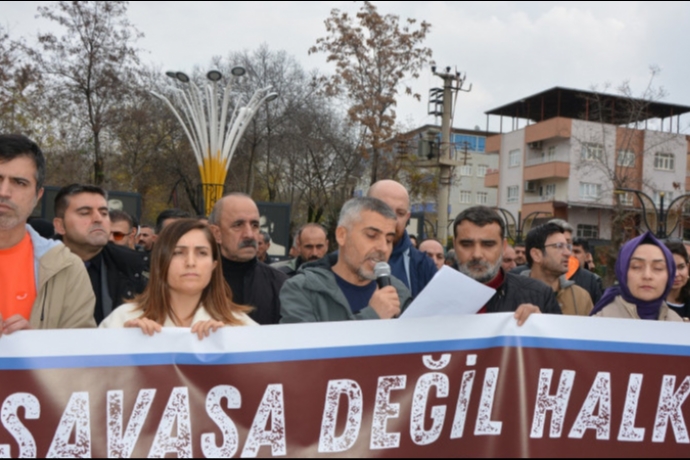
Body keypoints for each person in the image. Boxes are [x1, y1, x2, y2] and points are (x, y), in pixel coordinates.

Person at [0, 134, 95, 335]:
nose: (4, 192)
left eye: (19, 182)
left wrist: (36, 345)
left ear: (38, 196)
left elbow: (81, 349)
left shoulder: (67, 269)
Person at [100, 219, 256, 336]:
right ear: (160, 262)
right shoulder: (122, 320)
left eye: (201, 253)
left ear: (214, 265)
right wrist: (125, 344)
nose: (190, 262)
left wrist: (228, 346)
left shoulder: (240, 328)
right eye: (178, 252)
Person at [280, 197, 412, 323]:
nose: (383, 248)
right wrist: (372, 315)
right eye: (372, 236)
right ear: (342, 235)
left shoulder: (398, 292)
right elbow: (304, 339)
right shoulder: (302, 289)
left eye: (389, 240)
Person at [53, 184, 148, 324]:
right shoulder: (37, 265)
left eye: (104, 213)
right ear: (60, 226)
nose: (98, 219)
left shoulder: (135, 268)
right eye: (85, 213)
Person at [453, 206, 561, 323]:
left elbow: (559, 334)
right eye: (466, 244)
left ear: (503, 247)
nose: (477, 254)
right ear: (454, 245)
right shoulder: (437, 294)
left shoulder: (539, 295)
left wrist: (541, 325)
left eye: (488, 244)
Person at [209, 193, 287, 325]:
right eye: (238, 225)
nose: (249, 235)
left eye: (255, 225)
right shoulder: (198, 283)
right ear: (217, 233)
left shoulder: (280, 285)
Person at [368, 180, 437, 298]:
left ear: (407, 217)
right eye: (385, 210)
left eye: (400, 213)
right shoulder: (342, 261)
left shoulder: (423, 266)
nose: (393, 219)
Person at [591, 231, 682, 321]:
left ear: (670, 275)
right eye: (636, 266)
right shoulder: (599, 322)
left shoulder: (678, 324)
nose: (647, 275)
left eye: (658, 268)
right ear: (622, 272)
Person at [522, 223, 593, 316]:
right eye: (559, 246)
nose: (568, 253)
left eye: (568, 247)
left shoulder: (580, 297)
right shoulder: (512, 294)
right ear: (536, 255)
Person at [548, 219, 603, 304]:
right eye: (559, 244)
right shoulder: (528, 277)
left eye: (568, 244)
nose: (568, 252)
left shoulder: (590, 280)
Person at [664, 240, 690, 319]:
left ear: (688, 267)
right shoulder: (648, 304)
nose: (676, 274)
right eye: (670, 267)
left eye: (681, 267)